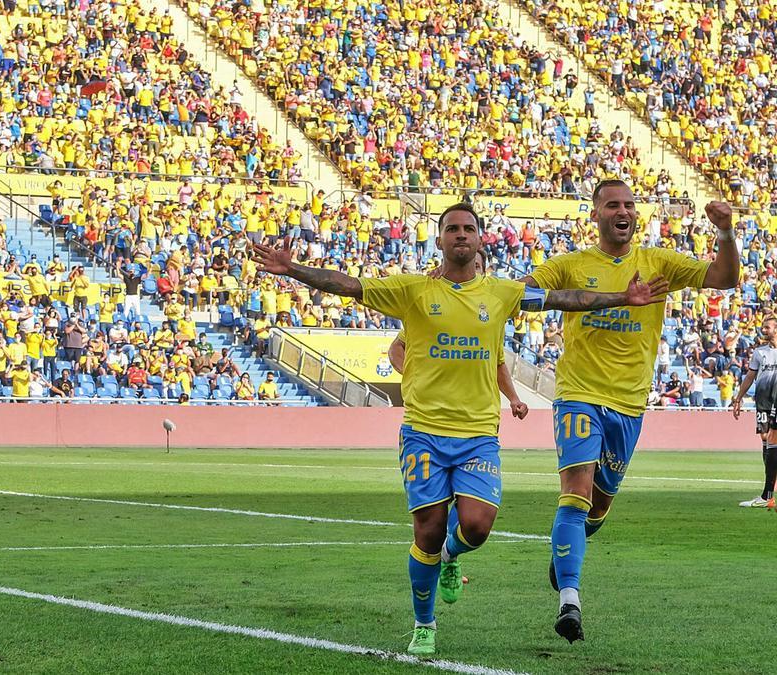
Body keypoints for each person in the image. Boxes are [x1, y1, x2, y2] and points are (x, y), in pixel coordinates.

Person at [251, 202, 669, 656]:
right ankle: (424, 624)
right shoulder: (413, 290)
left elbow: (565, 299)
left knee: (477, 525)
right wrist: (293, 270)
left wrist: (623, 300)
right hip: (424, 432)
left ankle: (452, 556)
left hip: (478, 436)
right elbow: (350, 286)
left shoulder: (503, 293)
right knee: (427, 530)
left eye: (469, 228)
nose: (461, 234)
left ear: (480, 239)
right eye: (452, 228)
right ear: (440, 239)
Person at [523, 181, 739, 643]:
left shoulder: (658, 261)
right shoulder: (570, 265)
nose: (623, 211)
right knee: (575, 494)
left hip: (629, 405)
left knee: (598, 507)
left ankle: (567, 554)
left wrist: (724, 234)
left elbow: (723, 279)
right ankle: (570, 602)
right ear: (596, 214)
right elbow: (521, 295)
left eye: (629, 205)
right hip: (578, 394)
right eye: (612, 205)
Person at [388, 250, 530, 420]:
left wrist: (514, 399)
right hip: (432, 416)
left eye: (476, 267)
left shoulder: (492, 312)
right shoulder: (434, 305)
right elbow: (397, 347)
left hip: (479, 418)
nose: (470, 271)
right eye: (467, 266)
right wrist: (411, 374)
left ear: (484, 273)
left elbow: (497, 363)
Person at [731, 316, 777, 509]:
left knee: (773, 440)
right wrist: (738, 398)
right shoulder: (760, 353)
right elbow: (750, 376)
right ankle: (768, 490)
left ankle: (767, 495)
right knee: (766, 441)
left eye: (767, 327)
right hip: (763, 402)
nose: (763, 330)